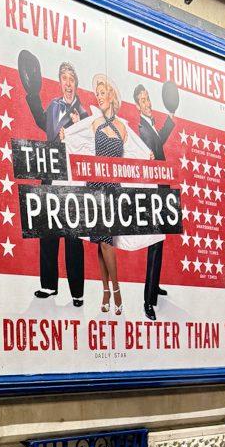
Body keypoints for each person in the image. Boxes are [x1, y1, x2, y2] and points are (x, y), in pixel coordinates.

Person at [63, 75, 154, 316]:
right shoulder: (93, 122)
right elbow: (75, 137)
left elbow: (138, 151)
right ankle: (108, 290)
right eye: (98, 94)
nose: (99, 98)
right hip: (94, 187)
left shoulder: (123, 127)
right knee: (100, 243)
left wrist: (149, 157)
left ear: (111, 96)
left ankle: (115, 290)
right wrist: (66, 136)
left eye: (103, 94)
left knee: (106, 242)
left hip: (113, 190)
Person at [20, 55, 89, 306]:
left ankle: (77, 293)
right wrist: (32, 93)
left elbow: (87, 146)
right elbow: (41, 121)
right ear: (60, 82)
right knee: (48, 232)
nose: (67, 83)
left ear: (76, 84)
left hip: (71, 182)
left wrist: (73, 131)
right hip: (51, 175)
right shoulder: (53, 105)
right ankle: (49, 285)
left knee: (72, 238)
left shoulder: (83, 114)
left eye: (71, 79)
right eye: (64, 79)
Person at [134, 84, 174, 320]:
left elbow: (160, 143)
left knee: (159, 242)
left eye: (148, 98)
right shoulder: (143, 129)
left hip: (161, 191)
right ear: (138, 105)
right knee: (155, 244)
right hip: (153, 194)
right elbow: (145, 152)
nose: (148, 102)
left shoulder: (151, 127)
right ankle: (148, 301)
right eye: (143, 99)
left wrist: (169, 119)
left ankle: (155, 286)